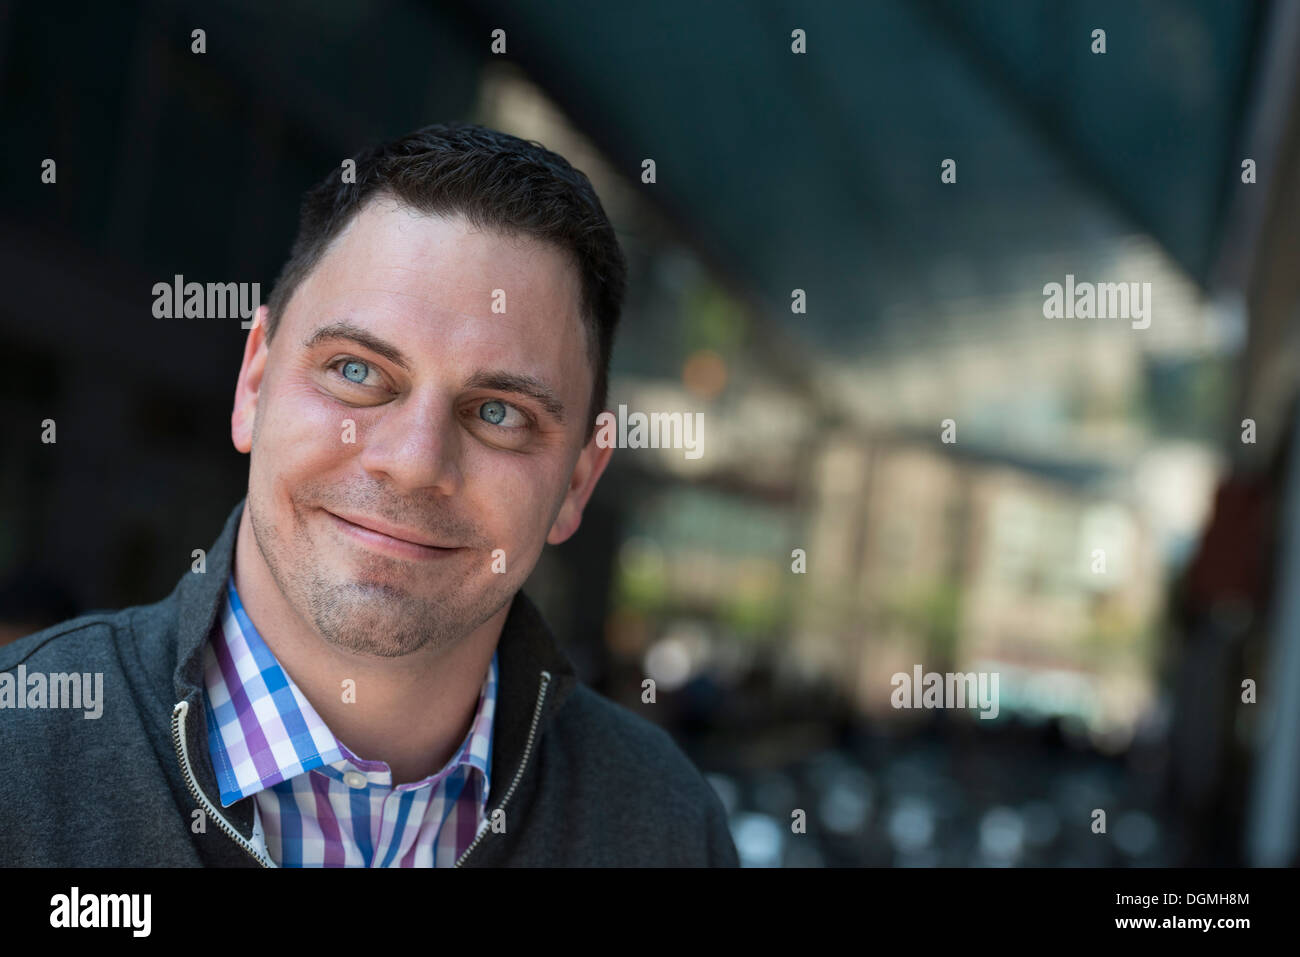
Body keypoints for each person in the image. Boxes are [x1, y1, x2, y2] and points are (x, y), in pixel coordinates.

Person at [0, 122, 739, 867]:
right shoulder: (17, 759)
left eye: (499, 413)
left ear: (579, 479)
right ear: (253, 383)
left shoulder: (666, 827)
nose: (414, 463)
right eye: (356, 371)